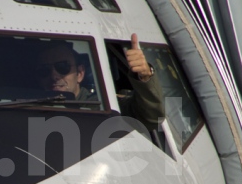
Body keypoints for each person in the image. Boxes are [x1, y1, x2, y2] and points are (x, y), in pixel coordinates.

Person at [34, 36, 164, 130]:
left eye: (62, 67)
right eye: (44, 70)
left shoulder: (103, 106)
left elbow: (151, 119)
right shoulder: (29, 108)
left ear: (80, 73)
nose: (54, 76)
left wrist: (145, 76)